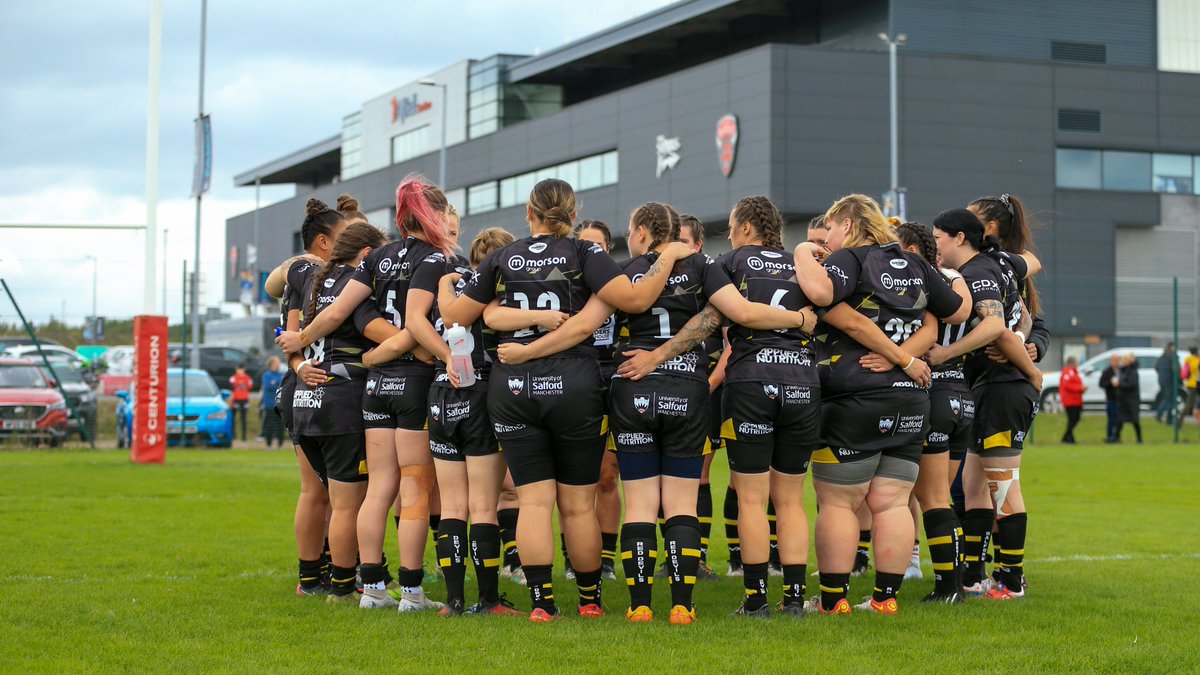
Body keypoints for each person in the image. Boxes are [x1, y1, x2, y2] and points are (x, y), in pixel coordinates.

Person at [438, 177, 695, 622]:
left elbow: (455, 316)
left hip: (513, 385)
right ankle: (589, 600)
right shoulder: (585, 251)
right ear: (573, 215)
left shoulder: (502, 256)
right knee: (577, 505)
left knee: (534, 502)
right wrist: (670, 254)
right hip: (574, 383)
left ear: (528, 213)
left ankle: (542, 604)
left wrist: (446, 285)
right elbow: (635, 299)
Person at [277, 175, 454, 612]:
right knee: (412, 487)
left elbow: (337, 309)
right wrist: (443, 355)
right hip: (409, 381)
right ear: (434, 215)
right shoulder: (436, 258)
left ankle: (371, 588)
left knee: (377, 489)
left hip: (372, 387)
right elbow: (415, 323)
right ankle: (410, 592)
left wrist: (302, 340)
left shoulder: (374, 259)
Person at [793, 194, 968, 616]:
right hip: (910, 399)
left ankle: (833, 600)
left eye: (831, 228)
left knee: (838, 502)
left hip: (853, 397)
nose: (827, 238)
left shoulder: (850, 259)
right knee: (892, 501)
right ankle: (885, 599)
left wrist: (801, 250)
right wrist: (905, 357)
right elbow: (956, 311)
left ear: (849, 225)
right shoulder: (915, 264)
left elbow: (821, 294)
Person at [925, 208, 1043, 602]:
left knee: (1004, 486)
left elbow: (996, 327)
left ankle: (1012, 580)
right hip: (986, 386)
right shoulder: (1000, 262)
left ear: (960, 238)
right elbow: (1022, 314)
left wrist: (1029, 370)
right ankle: (974, 577)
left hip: (1002, 389)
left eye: (938, 237)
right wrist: (1020, 339)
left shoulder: (976, 272)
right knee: (974, 486)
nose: (935, 245)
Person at [290, 221, 394, 603]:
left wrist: (299, 362)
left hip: (306, 404)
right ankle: (343, 587)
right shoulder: (356, 286)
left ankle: (313, 580)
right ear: (366, 255)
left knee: (322, 497)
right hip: (341, 405)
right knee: (348, 504)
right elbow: (379, 331)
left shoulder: (315, 282)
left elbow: (290, 331)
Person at [264, 197, 346, 596]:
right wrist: (298, 365)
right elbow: (293, 331)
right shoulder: (311, 272)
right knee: (321, 491)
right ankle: (315, 575)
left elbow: (272, 284)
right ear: (323, 242)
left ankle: (319, 572)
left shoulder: (302, 270)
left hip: (303, 383)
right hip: (308, 384)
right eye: (345, 236)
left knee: (325, 491)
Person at [893, 221, 974, 601]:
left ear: (910, 250)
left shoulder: (915, 281)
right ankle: (956, 582)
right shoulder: (955, 278)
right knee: (940, 497)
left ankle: (947, 587)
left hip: (933, 390)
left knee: (932, 499)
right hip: (962, 395)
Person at [571, 219, 620, 582]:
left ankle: (605, 560)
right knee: (573, 480)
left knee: (606, 477)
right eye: (584, 244)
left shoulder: (619, 282)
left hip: (612, 381)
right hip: (574, 381)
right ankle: (572, 559)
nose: (590, 251)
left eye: (597, 245)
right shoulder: (565, 284)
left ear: (608, 249)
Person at [1115, 353, 1143, 443]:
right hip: (1123, 400)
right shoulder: (1122, 371)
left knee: (1135, 420)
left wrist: (1119, 384)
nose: (1122, 362)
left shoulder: (1133, 372)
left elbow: (1131, 385)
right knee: (1120, 419)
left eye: (1124, 360)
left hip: (1132, 400)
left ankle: (1139, 438)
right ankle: (1116, 437)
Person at [260, 356, 286, 448]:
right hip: (269, 404)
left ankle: (280, 444)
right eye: (276, 363)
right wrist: (277, 384)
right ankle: (269, 444)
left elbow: (284, 386)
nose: (278, 365)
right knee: (269, 425)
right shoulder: (266, 375)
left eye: (279, 363)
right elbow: (268, 386)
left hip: (280, 404)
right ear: (271, 364)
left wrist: (275, 383)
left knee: (280, 425)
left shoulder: (282, 375)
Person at [1060, 356, 1084, 443]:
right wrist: (1079, 389)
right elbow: (1066, 384)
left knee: (1075, 418)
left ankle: (1068, 437)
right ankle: (1067, 437)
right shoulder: (1068, 372)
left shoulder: (1073, 372)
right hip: (1070, 400)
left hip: (1076, 400)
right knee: (1073, 418)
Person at [1154, 343, 1179, 424]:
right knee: (1169, 400)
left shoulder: (1162, 356)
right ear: (1172, 347)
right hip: (1170, 380)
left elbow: (1156, 367)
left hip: (1161, 380)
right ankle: (1161, 415)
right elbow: (1176, 369)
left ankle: (1166, 418)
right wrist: (1178, 379)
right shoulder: (1173, 356)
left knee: (1167, 399)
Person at [1100, 354, 1122, 443]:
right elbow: (1101, 384)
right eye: (1114, 360)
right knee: (1111, 418)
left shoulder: (1121, 371)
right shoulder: (1107, 372)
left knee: (1119, 419)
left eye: (1117, 360)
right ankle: (1110, 436)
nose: (1116, 362)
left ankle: (1117, 436)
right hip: (1111, 398)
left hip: (1120, 398)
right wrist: (1110, 383)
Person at [229, 364, 254, 442]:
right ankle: (233, 435)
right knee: (233, 418)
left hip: (244, 400)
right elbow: (231, 387)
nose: (239, 371)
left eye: (241, 369)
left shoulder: (248, 378)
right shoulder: (233, 378)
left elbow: (250, 387)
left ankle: (244, 437)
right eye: (238, 369)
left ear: (244, 370)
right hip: (236, 399)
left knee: (243, 418)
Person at [1183, 346, 1200, 425]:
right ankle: (1180, 421)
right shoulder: (1195, 360)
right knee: (1189, 404)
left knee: (1192, 403)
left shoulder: (1188, 359)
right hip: (1194, 384)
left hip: (1191, 383)